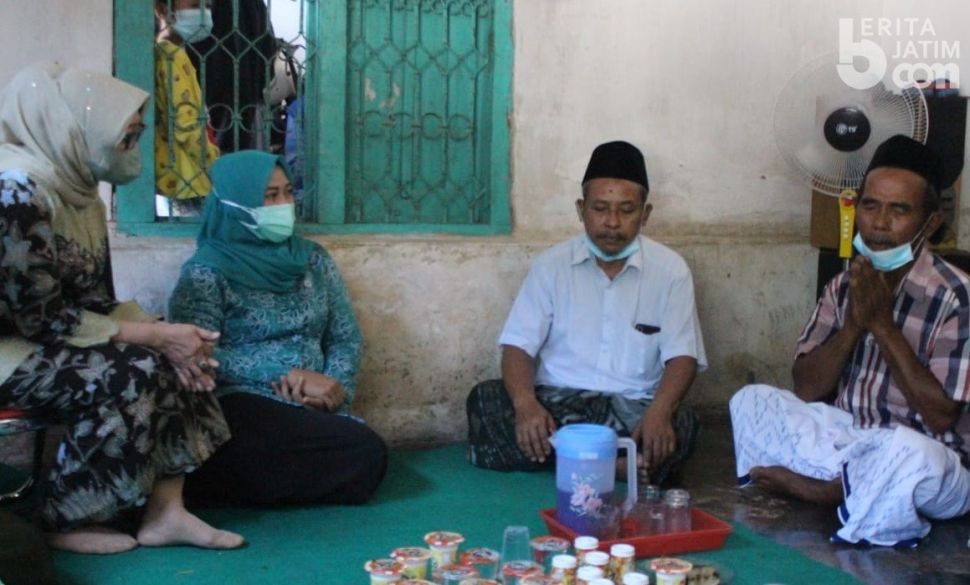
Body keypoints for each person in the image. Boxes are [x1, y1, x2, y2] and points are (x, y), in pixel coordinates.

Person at [0, 63, 243, 554]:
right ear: (78, 132)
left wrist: (167, 333)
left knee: (176, 359)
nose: (132, 152)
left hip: (49, 342)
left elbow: (91, 299)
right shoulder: (18, 191)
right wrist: (152, 338)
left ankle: (165, 512)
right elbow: (39, 317)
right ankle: (67, 516)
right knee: (132, 369)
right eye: (126, 140)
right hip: (11, 350)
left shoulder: (79, 187)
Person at [730, 135, 970, 546]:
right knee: (752, 400)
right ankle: (851, 485)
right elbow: (807, 388)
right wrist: (854, 325)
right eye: (870, 206)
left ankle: (824, 491)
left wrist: (883, 326)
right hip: (850, 440)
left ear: (930, 224)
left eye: (899, 210)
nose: (879, 224)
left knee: (909, 452)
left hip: (935, 461)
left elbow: (942, 415)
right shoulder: (844, 286)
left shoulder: (957, 298)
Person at [466, 141, 706, 485]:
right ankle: (616, 467)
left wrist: (661, 411)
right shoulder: (551, 266)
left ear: (646, 213)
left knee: (683, 425)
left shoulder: (671, 271)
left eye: (626, 210)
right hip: (558, 407)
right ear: (581, 210)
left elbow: (683, 356)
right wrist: (525, 404)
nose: (612, 222)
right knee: (486, 400)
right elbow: (517, 347)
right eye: (600, 208)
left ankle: (567, 461)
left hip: (632, 408)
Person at [169, 150, 387, 506]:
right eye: (270, 196)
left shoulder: (312, 259)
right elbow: (196, 355)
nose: (284, 204)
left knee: (363, 451)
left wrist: (334, 391)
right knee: (353, 451)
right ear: (235, 203)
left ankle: (234, 487)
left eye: (288, 192)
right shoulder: (205, 273)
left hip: (307, 406)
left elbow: (345, 336)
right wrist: (287, 373)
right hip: (240, 401)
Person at [154, 0, 220, 208]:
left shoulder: (160, 51)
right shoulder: (173, 56)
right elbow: (186, 123)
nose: (203, 14)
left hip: (170, 177)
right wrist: (215, 163)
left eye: (207, 6)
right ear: (163, 10)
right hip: (189, 179)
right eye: (194, 5)